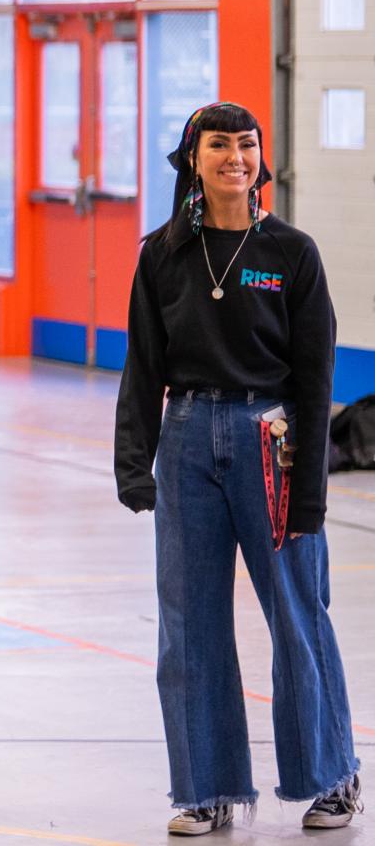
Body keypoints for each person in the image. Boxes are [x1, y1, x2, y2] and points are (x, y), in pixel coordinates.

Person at [114, 102, 356, 836]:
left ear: (259, 160)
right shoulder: (162, 254)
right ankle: (206, 788)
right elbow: (143, 365)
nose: (235, 158)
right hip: (187, 438)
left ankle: (331, 778)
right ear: (194, 158)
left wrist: (309, 490)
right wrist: (134, 463)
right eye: (219, 145)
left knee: (296, 613)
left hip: (271, 440)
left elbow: (316, 381)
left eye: (246, 146)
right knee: (189, 624)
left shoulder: (292, 253)